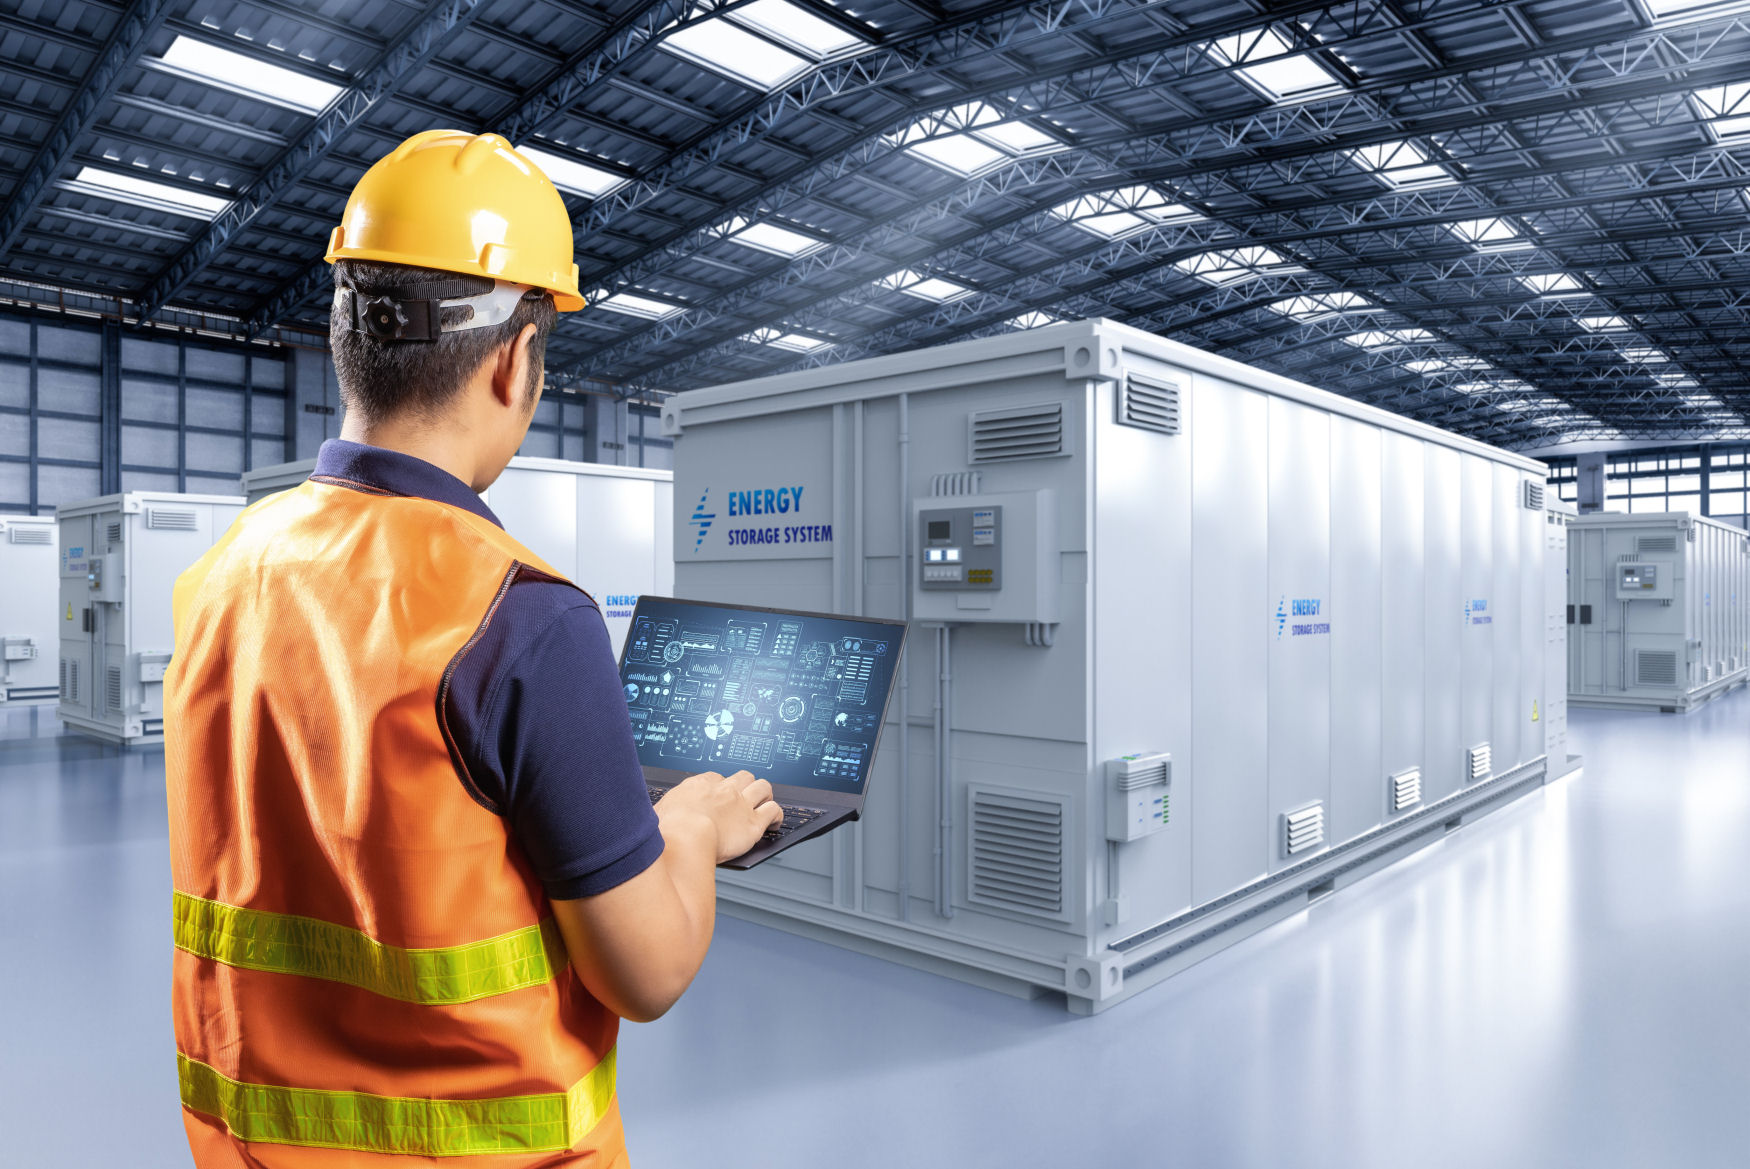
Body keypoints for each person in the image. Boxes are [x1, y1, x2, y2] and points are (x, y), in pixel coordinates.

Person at [163, 129, 782, 1168]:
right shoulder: (522, 616)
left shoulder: (224, 572)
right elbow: (648, 970)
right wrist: (691, 829)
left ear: (344, 340)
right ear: (515, 362)